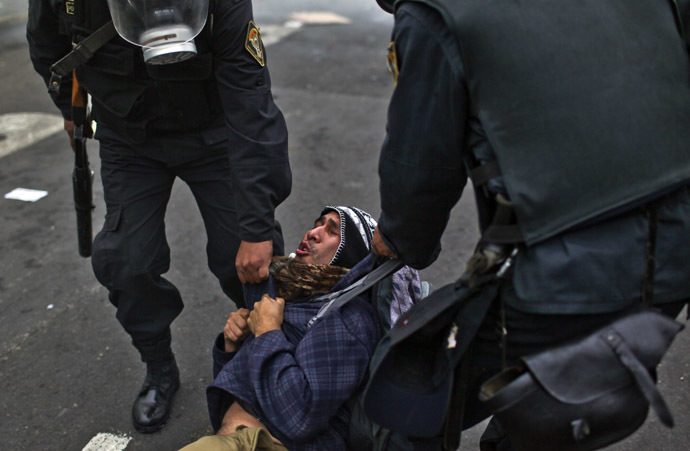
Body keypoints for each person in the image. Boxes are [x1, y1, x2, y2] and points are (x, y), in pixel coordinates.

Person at [370, 0, 690, 447]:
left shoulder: (432, 15)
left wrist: (400, 241)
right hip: (676, 246)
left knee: (407, 396)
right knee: (536, 413)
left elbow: (420, 172)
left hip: (568, 270)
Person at [26, 0, 291, 433]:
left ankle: (268, 361)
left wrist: (257, 228)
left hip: (213, 132)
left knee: (247, 261)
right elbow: (47, 46)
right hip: (127, 136)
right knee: (126, 261)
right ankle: (159, 367)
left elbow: (251, 103)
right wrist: (68, 108)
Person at [180, 205, 419, 451]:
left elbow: (299, 417)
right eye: (318, 223)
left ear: (352, 255)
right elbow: (245, 385)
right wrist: (233, 344)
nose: (313, 232)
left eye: (332, 231)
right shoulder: (303, 298)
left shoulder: (348, 320)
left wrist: (267, 333)